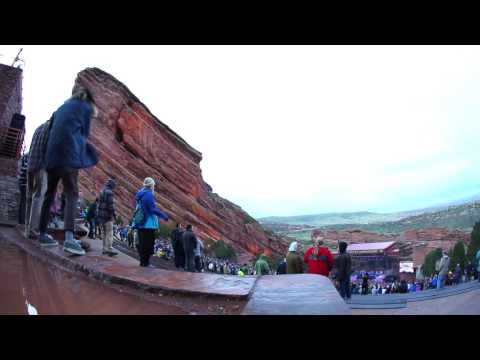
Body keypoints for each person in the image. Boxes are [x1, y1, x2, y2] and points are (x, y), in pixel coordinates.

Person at [37, 87, 100, 254]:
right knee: (72, 194)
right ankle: (70, 239)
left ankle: (42, 233)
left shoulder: (61, 108)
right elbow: (84, 135)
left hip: (51, 156)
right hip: (68, 155)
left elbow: (50, 131)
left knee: (49, 194)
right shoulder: (85, 108)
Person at [134, 177, 169, 267]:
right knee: (148, 243)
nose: (154, 187)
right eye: (154, 185)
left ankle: (142, 262)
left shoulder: (140, 193)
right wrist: (163, 216)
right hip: (147, 223)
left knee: (142, 242)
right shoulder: (148, 194)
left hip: (140, 221)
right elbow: (152, 209)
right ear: (151, 185)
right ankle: (146, 262)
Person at [25, 118, 51, 239]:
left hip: (30, 166)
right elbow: (48, 149)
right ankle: (33, 230)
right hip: (41, 167)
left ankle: (27, 227)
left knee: (30, 197)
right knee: (39, 196)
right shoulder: (50, 129)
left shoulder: (38, 128)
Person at [97, 179, 118, 257]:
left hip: (101, 215)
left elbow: (99, 203)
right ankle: (109, 249)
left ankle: (104, 249)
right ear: (112, 186)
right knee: (109, 232)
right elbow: (110, 205)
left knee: (104, 233)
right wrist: (114, 214)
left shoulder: (102, 191)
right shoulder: (110, 193)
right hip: (107, 215)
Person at [18, 153, 28, 224]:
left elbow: (19, 169)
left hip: (21, 182)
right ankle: (22, 222)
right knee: (24, 203)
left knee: (22, 202)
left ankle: (21, 221)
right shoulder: (30, 156)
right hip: (26, 182)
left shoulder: (24, 156)